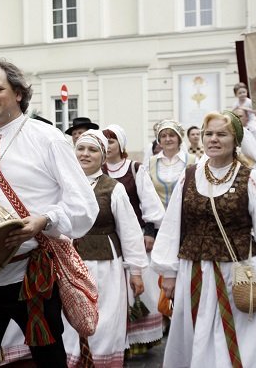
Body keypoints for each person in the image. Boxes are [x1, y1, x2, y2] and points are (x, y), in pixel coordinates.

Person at [0, 59, 98, 368]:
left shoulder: (48, 138)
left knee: (48, 360)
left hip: (31, 274)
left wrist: (46, 219)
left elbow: (84, 204)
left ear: (18, 93)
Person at [151, 111, 256, 367]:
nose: (213, 139)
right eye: (208, 134)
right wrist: (168, 271)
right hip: (195, 271)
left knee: (235, 341)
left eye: (221, 134)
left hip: (237, 272)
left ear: (235, 140)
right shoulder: (189, 175)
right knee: (194, 338)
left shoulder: (250, 178)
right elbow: (172, 225)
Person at [62, 129, 147, 367]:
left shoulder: (113, 188)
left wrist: (136, 271)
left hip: (104, 267)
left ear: (102, 156)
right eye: (81, 148)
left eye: (92, 150)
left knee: (104, 319)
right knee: (68, 322)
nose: (85, 154)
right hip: (68, 265)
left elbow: (130, 232)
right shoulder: (63, 184)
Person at [102, 124, 165, 357]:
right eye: (105, 141)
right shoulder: (98, 171)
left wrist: (150, 231)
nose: (108, 145)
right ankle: (117, 338)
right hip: (110, 239)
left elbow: (149, 202)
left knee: (139, 288)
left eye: (112, 141)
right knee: (115, 290)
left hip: (135, 234)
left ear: (121, 144)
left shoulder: (134, 169)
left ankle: (139, 341)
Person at [146, 119, 197, 208]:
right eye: (163, 136)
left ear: (179, 139)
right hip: (159, 218)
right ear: (159, 140)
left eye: (172, 135)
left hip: (185, 216)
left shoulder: (193, 160)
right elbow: (147, 193)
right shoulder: (151, 162)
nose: (167, 139)